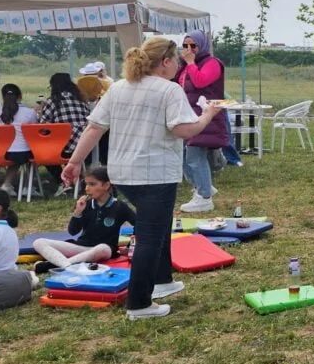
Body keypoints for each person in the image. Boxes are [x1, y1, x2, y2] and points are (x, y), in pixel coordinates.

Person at [61, 36, 225, 320]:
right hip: (155, 174)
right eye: (176, 60)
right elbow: (184, 130)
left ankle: (162, 279)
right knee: (150, 235)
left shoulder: (118, 88)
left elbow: (94, 128)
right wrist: (208, 114)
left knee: (158, 226)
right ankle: (139, 304)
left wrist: (75, 162)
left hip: (122, 173)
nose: (178, 65)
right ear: (166, 62)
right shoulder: (169, 90)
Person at [33, 166, 135, 273]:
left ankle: (52, 265)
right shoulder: (86, 204)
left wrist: (126, 243)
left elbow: (138, 225)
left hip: (104, 250)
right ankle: (66, 265)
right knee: (39, 242)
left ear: (106, 185)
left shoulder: (119, 206)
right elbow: (73, 231)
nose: (87, 188)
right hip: (81, 247)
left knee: (102, 248)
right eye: (86, 184)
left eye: (92, 184)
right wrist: (78, 212)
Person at [175, 30, 230, 213]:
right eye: (185, 46)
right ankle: (203, 185)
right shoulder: (185, 66)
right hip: (189, 115)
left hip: (206, 115)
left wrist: (191, 63)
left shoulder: (212, 63)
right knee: (184, 155)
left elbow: (200, 82)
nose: (189, 49)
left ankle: (204, 197)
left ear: (202, 45)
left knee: (195, 155)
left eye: (193, 45)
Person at [36, 73, 91, 193]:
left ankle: (62, 182)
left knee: (44, 156)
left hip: (62, 147)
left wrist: (40, 113)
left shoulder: (52, 101)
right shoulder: (82, 100)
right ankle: (76, 180)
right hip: (83, 145)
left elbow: (42, 127)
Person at [0, 83, 38, 192]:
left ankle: (7, 183)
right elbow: (35, 131)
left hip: (3, 152)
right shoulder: (29, 112)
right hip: (23, 152)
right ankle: (28, 186)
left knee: (17, 158)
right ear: (20, 96)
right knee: (35, 154)